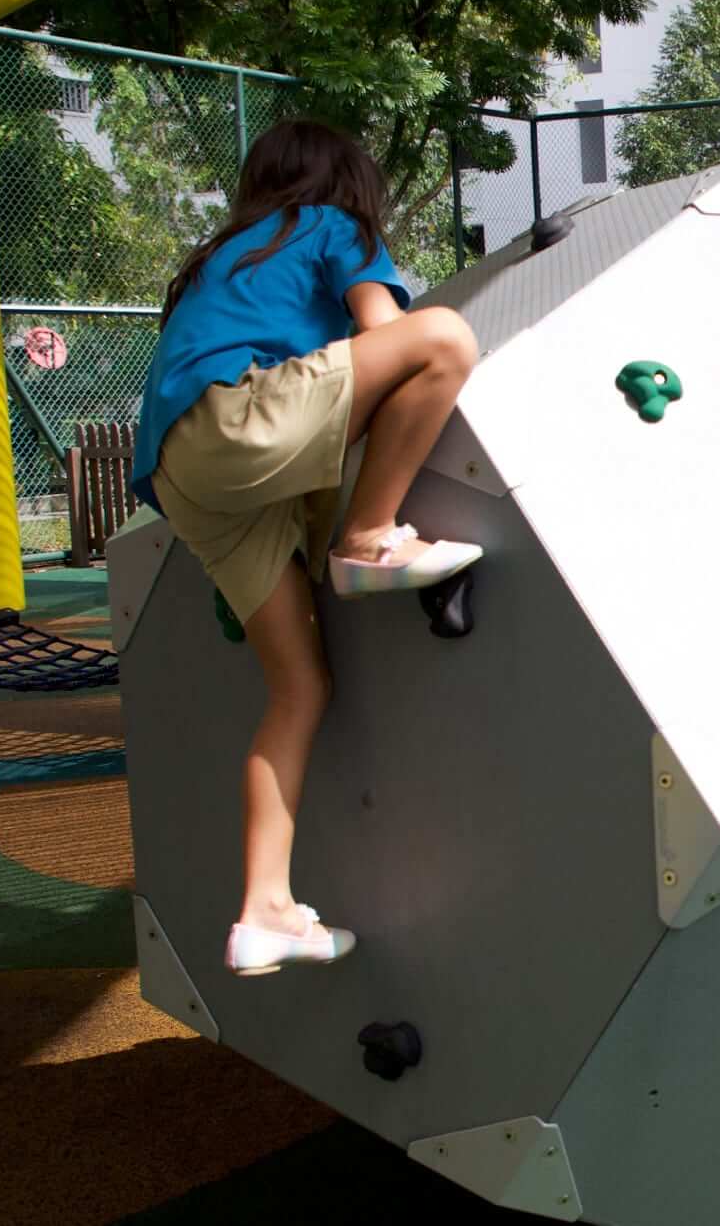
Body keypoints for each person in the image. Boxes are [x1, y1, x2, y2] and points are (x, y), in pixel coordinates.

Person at [132, 119, 484, 976]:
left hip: (183, 474)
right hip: (240, 423)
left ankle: (265, 909)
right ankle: (369, 534)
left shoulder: (222, 259)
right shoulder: (334, 228)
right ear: (350, 187)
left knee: (299, 685)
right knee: (444, 339)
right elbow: (384, 328)